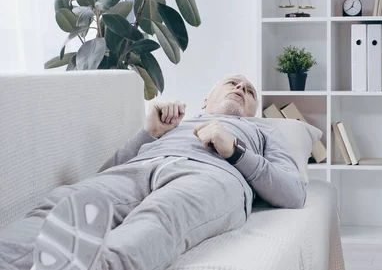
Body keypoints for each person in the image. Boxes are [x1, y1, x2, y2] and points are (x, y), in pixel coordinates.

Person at [0, 74, 307, 270]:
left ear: (254, 109)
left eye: (250, 90)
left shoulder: (263, 132)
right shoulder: (173, 122)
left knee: (161, 216)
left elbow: (293, 192)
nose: (241, 88)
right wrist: (148, 133)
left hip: (212, 174)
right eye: (232, 83)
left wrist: (236, 151)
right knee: (69, 200)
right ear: (205, 100)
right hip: (142, 166)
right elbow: (105, 175)